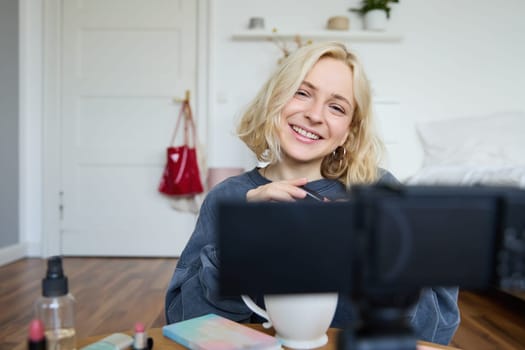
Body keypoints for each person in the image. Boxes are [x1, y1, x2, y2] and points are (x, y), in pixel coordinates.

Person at [164, 41, 460, 345]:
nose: (315, 115)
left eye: (336, 107)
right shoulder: (228, 198)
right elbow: (184, 320)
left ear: (349, 130)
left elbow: (438, 327)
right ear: (274, 100)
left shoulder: (379, 192)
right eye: (302, 93)